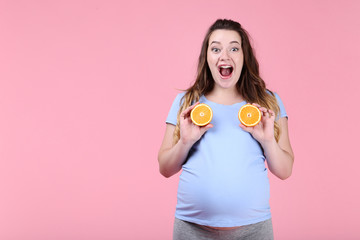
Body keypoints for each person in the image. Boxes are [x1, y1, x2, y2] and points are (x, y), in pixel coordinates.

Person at [158, 19, 294, 240]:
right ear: (207, 57)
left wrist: (268, 140)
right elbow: (165, 168)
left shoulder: (268, 104)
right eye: (216, 49)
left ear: (244, 56)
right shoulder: (186, 102)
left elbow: (285, 170)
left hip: (254, 230)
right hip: (192, 229)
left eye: (233, 48)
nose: (225, 55)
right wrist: (185, 142)